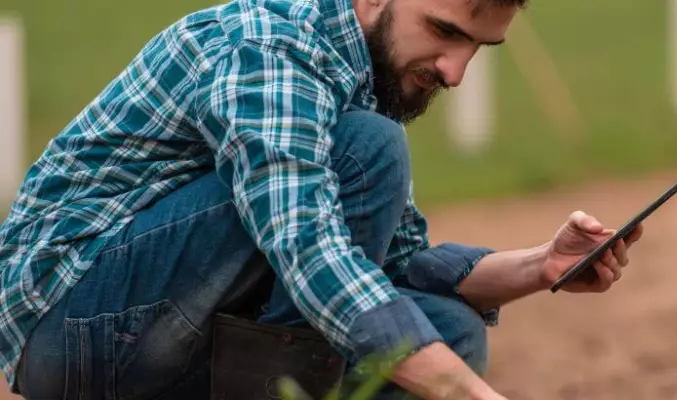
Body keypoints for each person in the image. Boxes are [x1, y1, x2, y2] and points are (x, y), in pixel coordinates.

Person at [0, 0, 643, 399]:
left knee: (446, 332)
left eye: (476, 47)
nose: (455, 71)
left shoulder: (356, 72)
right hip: (72, 326)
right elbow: (311, 252)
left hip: (162, 335)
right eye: (444, 31)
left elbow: (392, 268)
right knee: (369, 149)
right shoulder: (272, 46)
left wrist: (540, 267)